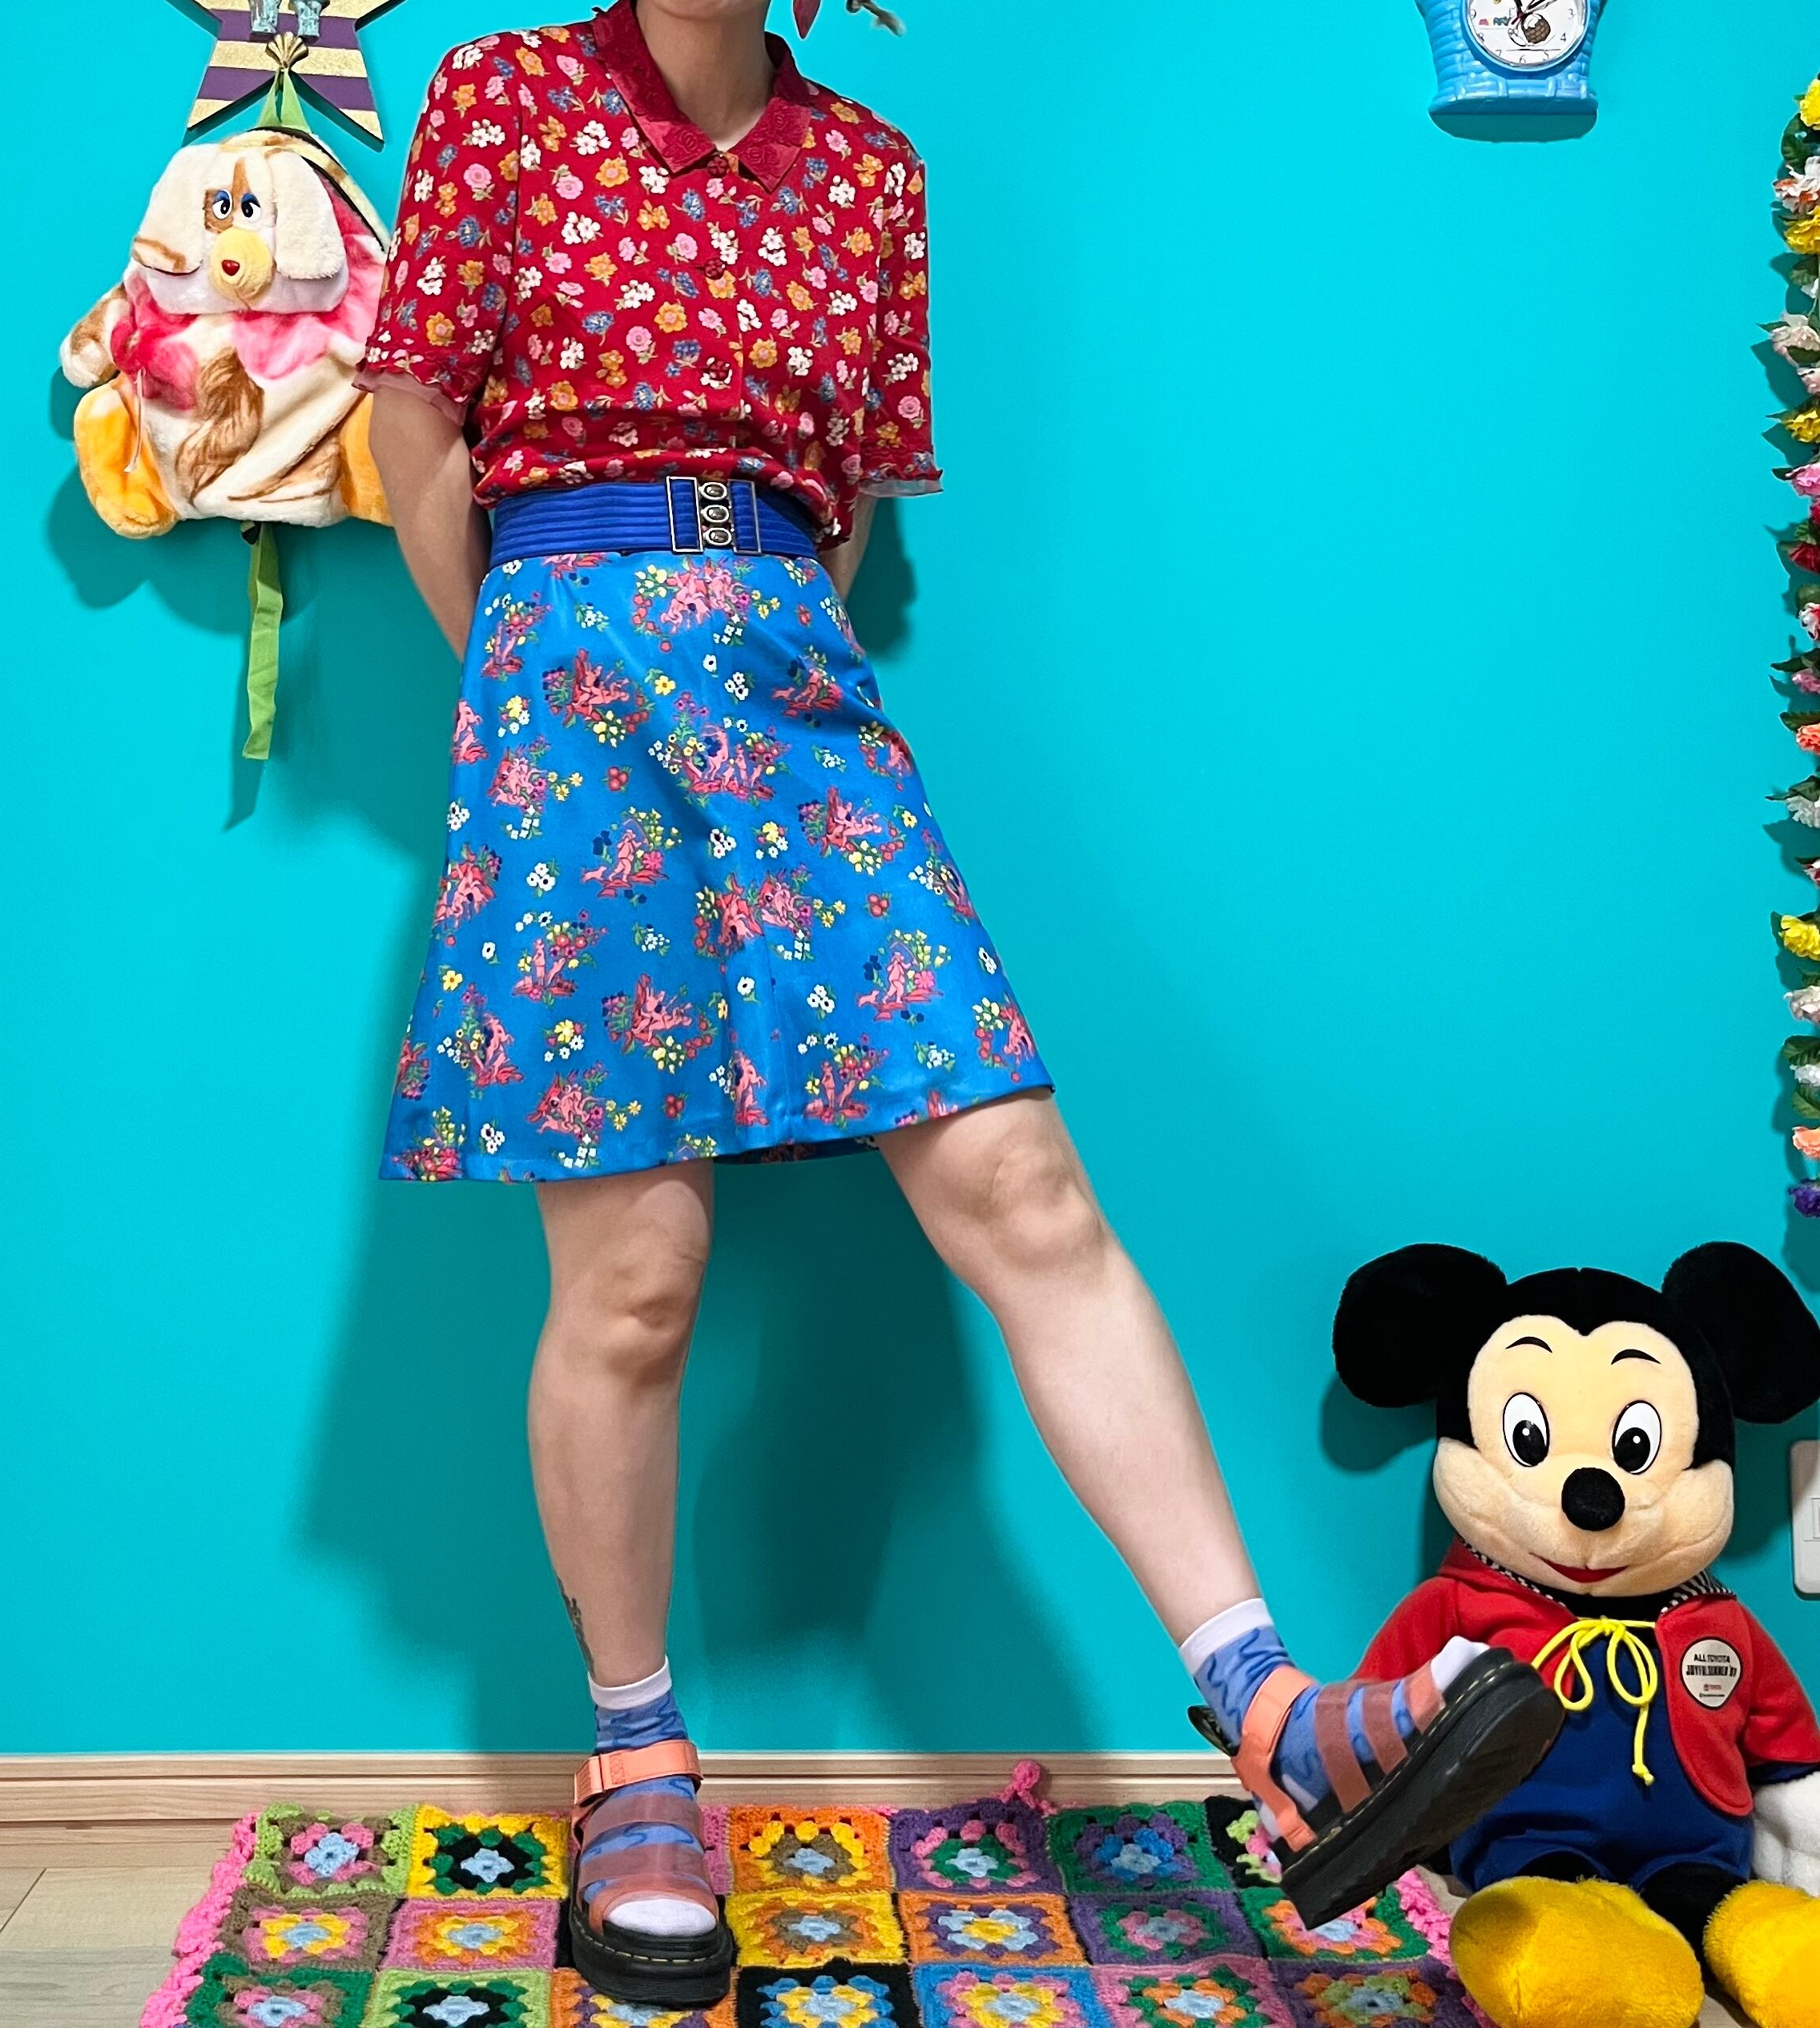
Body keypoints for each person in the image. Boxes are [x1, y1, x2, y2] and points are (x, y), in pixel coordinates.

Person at [358, 0, 1561, 2005]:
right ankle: (637, 1758)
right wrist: (518, 702)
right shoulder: (506, 93)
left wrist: (740, 635)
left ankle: (1274, 1717)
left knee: (1027, 1191)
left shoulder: (869, 175)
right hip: (557, 693)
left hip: (791, 685)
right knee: (637, 1280)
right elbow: (415, 439)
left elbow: (845, 517)